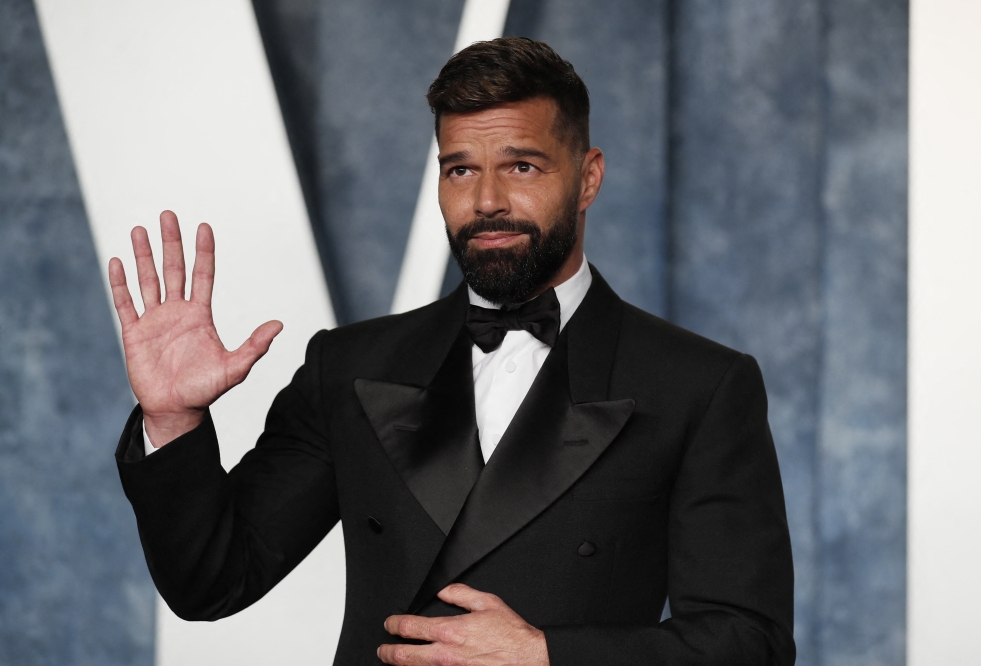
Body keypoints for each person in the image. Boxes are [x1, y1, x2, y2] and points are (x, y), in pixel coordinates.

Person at [111, 38, 794, 665]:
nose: (487, 201)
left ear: (588, 178)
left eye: (521, 165)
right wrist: (172, 422)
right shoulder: (350, 367)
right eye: (460, 170)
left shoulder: (698, 385)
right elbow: (213, 582)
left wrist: (548, 655)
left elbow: (748, 641)